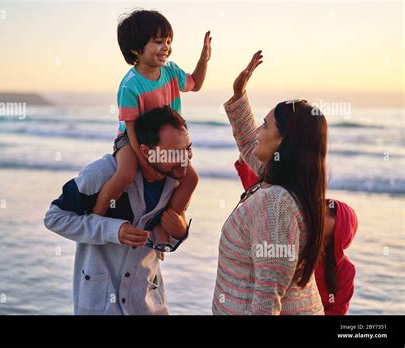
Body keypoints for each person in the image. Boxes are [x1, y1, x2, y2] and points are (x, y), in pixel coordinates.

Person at [44, 106, 192, 315]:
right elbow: (54, 218)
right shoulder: (104, 173)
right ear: (146, 152)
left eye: (188, 149)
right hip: (99, 304)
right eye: (175, 153)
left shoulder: (176, 183)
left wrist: (180, 232)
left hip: (148, 304)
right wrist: (114, 230)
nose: (185, 160)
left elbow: (163, 242)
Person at [212, 51, 326, 315]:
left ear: (282, 143)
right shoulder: (287, 180)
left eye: (264, 126)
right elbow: (250, 143)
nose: (258, 132)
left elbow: (267, 300)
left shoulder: (276, 204)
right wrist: (239, 92)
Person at [93, 10, 212, 241]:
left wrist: (203, 60)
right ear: (136, 50)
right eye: (158, 42)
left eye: (168, 41)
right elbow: (130, 128)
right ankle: (97, 216)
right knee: (126, 173)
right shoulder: (130, 85)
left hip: (167, 143)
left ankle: (165, 224)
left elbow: (195, 84)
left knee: (190, 178)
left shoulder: (171, 71)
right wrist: (145, 164)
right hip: (133, 138)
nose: (166, 47)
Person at [234, 158, 359, 315]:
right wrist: (248, 157)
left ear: (336, 237)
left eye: (328, 213)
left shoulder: (345, 270)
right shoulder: (290, 233)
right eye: (324, 205)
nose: (320, 210)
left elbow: (337, 311)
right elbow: (266, 200)